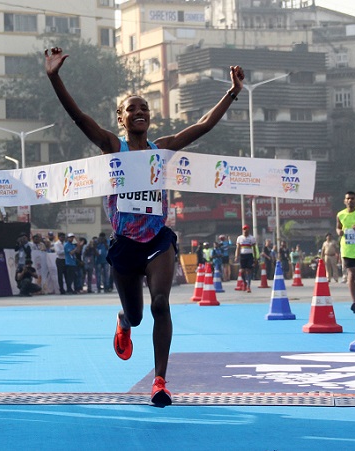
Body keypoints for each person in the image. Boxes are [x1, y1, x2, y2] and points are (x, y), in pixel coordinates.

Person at [46, 45, 243, 407]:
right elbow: (78, 117)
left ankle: (160, 381)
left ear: (149, 117)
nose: (139, 112)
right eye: (131, 109)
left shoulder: (162, 148)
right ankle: (123, 318)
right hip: (124, 245)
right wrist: (54, 76)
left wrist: (231, 92)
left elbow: (202, 126)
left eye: (144, 108)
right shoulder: (111, 147)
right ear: (121, 119)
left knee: (162, 304)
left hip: (157, 240)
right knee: (137, 316)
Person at [235, 225, 258, 293]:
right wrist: (236, 256)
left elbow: (254, 248)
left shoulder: (252, 238)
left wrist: (255, 257)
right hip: (243, 255)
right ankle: (244, 282)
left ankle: (248, 285)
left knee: (249, 270)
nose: (245, 231)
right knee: (242, 271)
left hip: (249, 255)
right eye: (244, 229)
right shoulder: (240, 238)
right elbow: (238, 248)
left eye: (246, 229)